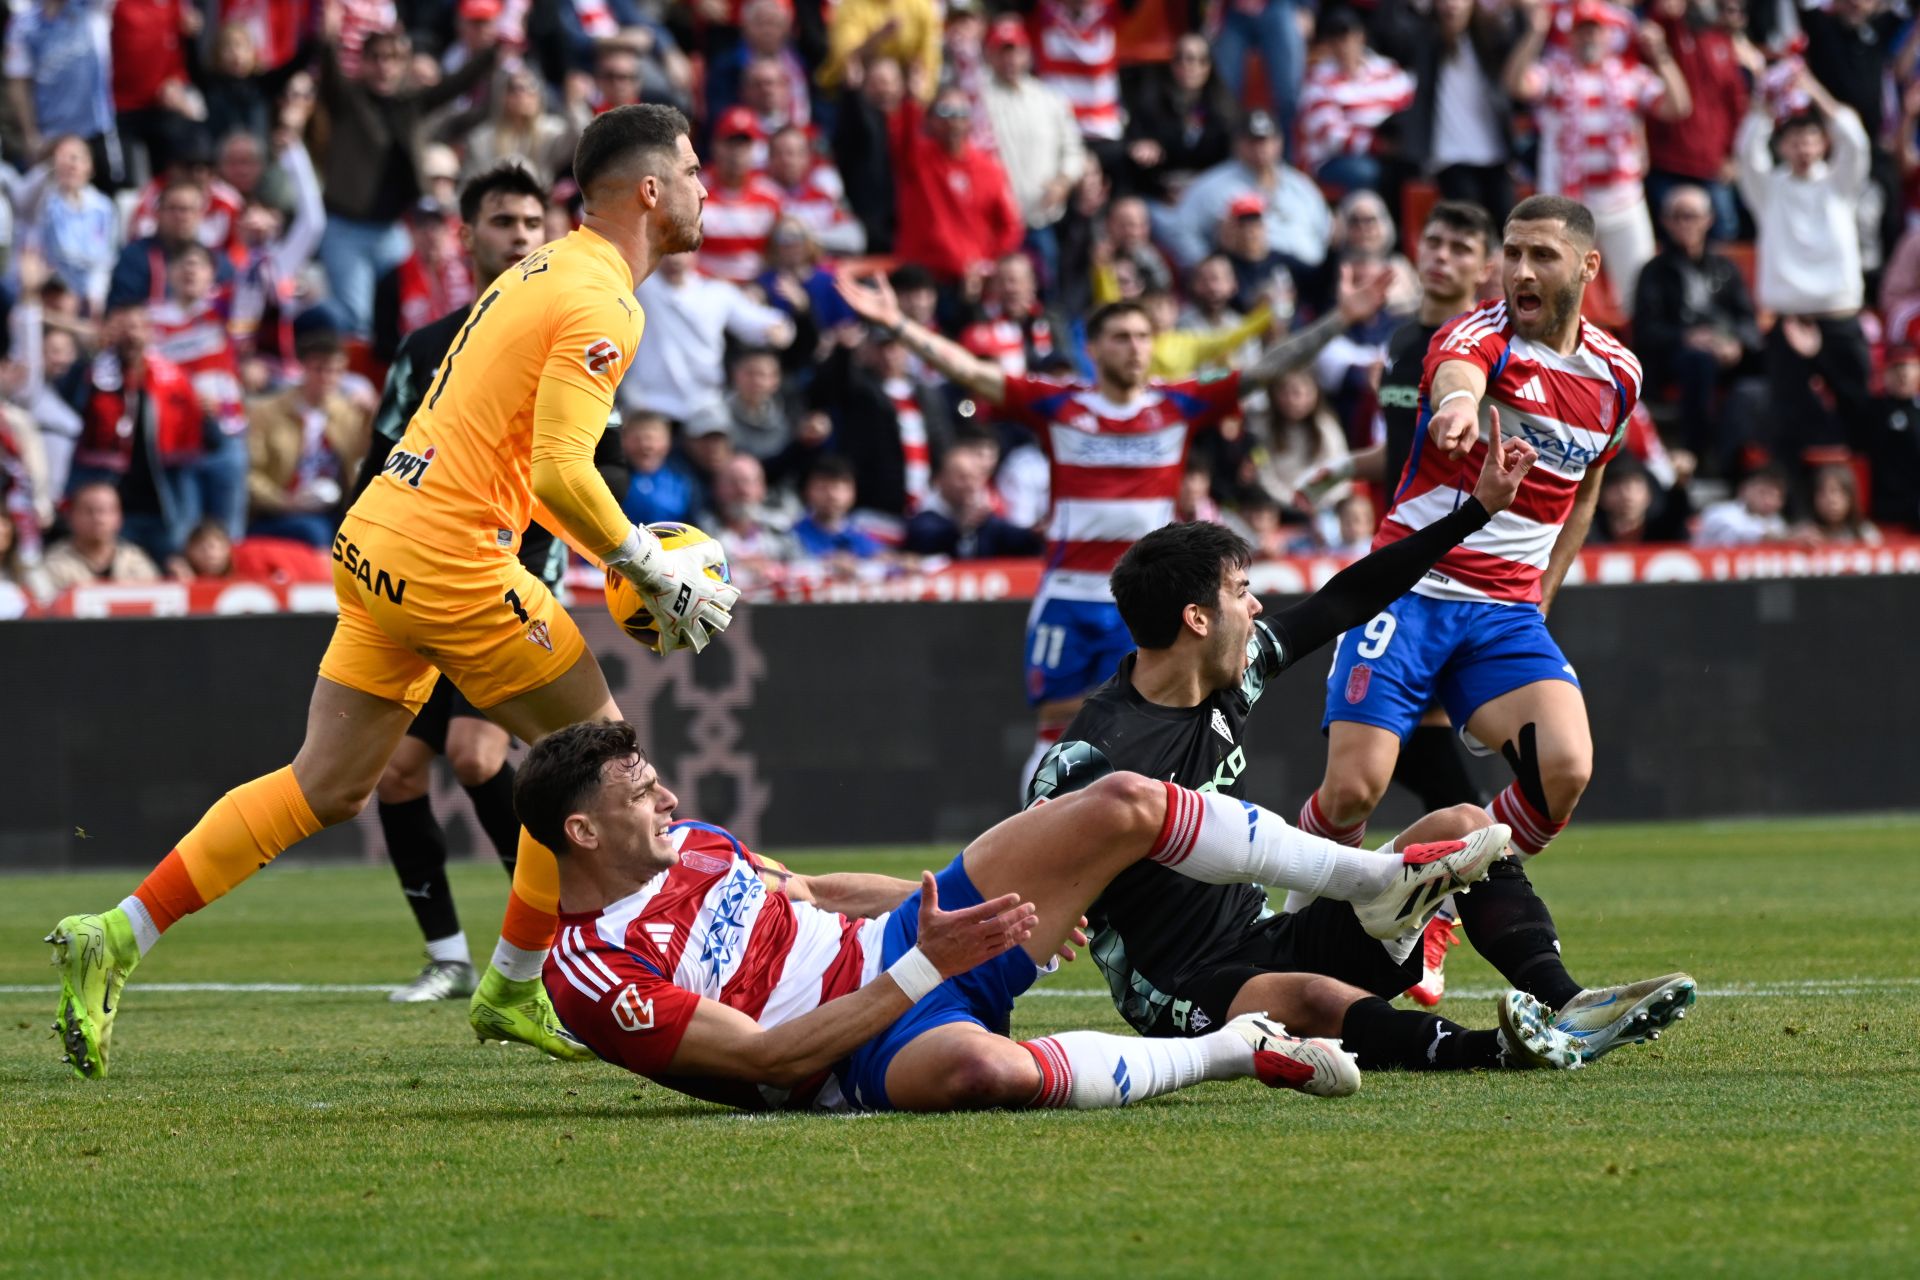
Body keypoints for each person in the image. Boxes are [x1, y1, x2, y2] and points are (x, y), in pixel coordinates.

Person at [45, 105, 743, 1080]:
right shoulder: (603, 301)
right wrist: (647, 562)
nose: (712, 188)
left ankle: (116, 932)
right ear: (653, 191)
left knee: (324, 784)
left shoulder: (542, 270)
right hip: (454, 559)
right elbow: (558, 475)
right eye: (697, 169)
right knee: (605, 761)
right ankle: (576, 984)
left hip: (378, 535)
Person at [535, 719, 1530, 1111]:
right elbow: (767, 1060)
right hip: (853, 1046)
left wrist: (959, 916)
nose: (670, 802)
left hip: (906, 944)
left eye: (663, 786)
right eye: (644, 795)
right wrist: (926, 966)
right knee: (984, 1070)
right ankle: (1240, 1049)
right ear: (583, 830)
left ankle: (1373, 881)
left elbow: (807, 894)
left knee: (1121, 803)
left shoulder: (698, 841)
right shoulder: (586, 971)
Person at [1029, 517, 1692, 1066]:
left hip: (1266, 939)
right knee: (1312, 1000)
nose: (1257, 606)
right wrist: (1047, 906)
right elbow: (1013, 870)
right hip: (1184, 992)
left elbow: (1345, 599)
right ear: (1198, 619)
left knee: (1460, 823)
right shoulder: (1093, 756)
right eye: (1242, 591)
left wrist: (1475, 514)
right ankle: (1500, 1051)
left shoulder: (1231, 675)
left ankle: (1567, 1003)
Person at [1300, 195, 1656, 1035]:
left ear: (1587, 269)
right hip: (1412, 589)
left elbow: (1589, 483)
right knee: (1354, 786)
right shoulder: (1473, 338)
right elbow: (1458, 385)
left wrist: (1546, 589)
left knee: (1564, 770)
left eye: (1542, 256)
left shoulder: (1618, 375)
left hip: (1502, 611)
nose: (1522, 272)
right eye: (1512, 253)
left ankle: (1428, 889)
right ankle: (1287, 923)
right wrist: (1458, 411)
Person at [836, 260, 1391, 798]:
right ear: (1094, 347)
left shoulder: (1178, 404)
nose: (1136, 347)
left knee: (1149, 724)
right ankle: (1034, 849)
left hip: (1146, 602)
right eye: (1121, 336)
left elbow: (1268, 368)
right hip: (1068, 596)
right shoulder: (1060, 405)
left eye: (1144, 336)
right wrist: (897, 325)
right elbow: (972, 372)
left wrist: (1340, 318)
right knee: (1057, 728)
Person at [346, 162, 605, 1004]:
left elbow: (576, 468)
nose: (521, 235)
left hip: (512, 577)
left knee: (476, 750)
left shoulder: (565, 331)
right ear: (467, 236)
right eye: (502, 221)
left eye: (533, 221)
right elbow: (378, 460)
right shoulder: (424, 348)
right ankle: (450, 958)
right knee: (395, 776)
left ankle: (545, 939)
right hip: (418, 577)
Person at [1503, 0, 1690, 317]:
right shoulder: (1556, 73)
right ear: (1571, 36)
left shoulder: (1630, 75)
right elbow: (1517, 85)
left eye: (1595, 31)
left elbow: (1678, 107)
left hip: (1622, 200)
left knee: (1641, 290)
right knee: (1557, 291)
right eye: (1582, 31)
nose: (1589, 38)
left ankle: (1636, 362)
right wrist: (1534, 36)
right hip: (1566, 207)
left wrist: (1661, 56)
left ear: (1607, 36)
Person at [1736, 73, 1873, 458]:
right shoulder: (1769, 190)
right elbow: (1748, 153)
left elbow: (1856, 142)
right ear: (1781, 145)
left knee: (1857, 405)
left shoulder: (1840, 184)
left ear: (1823, 142)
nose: (1803, 148)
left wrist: (1812, 87)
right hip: (1787, 318)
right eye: (1794, 140)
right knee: (1786, 418)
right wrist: (1765, 105)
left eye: (1811, 138)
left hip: (1840, 315)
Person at [244, 325, 364, 547]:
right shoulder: (267, 412)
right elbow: (250, 475)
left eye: (336, 371)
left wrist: (372, 415)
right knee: (316, 532)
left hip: (333, 508)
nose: (328, 378)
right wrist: (285, 503)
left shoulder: (347, 414)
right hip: (278, 511)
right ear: (303, 368)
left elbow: (364, 460)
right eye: (320, 369)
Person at [1165, 111, 1330, 271]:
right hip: (1248, 279)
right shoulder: (1212, 186)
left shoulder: (1300, 186)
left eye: (1265, 140)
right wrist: (1206, 267)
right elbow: (1181, 230)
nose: (1260, 148)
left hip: (1304, 277)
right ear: (1237, 143)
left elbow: (1325, 230)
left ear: (1279, 142)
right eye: (1252, 141)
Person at [1295, 7, 1415, 194]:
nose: (1343, 45)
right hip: (1336, 159)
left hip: (1389, 151)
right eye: (1335, 39)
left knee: (1412, 168)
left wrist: (1397, 139)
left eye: (1347, 36)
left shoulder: (1387, 70)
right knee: (1366, 171)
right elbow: (1331, 136)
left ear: (1361, 37)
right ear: (1327, 44)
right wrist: (1377, 145)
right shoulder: (1317, 80)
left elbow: (1411, 104)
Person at [904, 436, 1044, 559]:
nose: (970, 485)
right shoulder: (922, 517)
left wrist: (1036, 533)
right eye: (962, 478)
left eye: (975, 477)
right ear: (939, 479)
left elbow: (1013, 538)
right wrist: (959, 527)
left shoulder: (982, 519)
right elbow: (925, 541)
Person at [41, 480, 163, 591]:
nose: (98, 518)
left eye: (105, 511)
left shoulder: (136, 562)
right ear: (71, 516)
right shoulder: (54, 565)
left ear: (119, 517)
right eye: (89, 511)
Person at [1692, 463, 1791, 546]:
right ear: (1744, 490)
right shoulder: (1719, 513)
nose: (1769, 501)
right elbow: (1741, 536)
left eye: (1777, 496)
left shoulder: (1776, 521)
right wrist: (1788, 537)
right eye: (1763, 493)